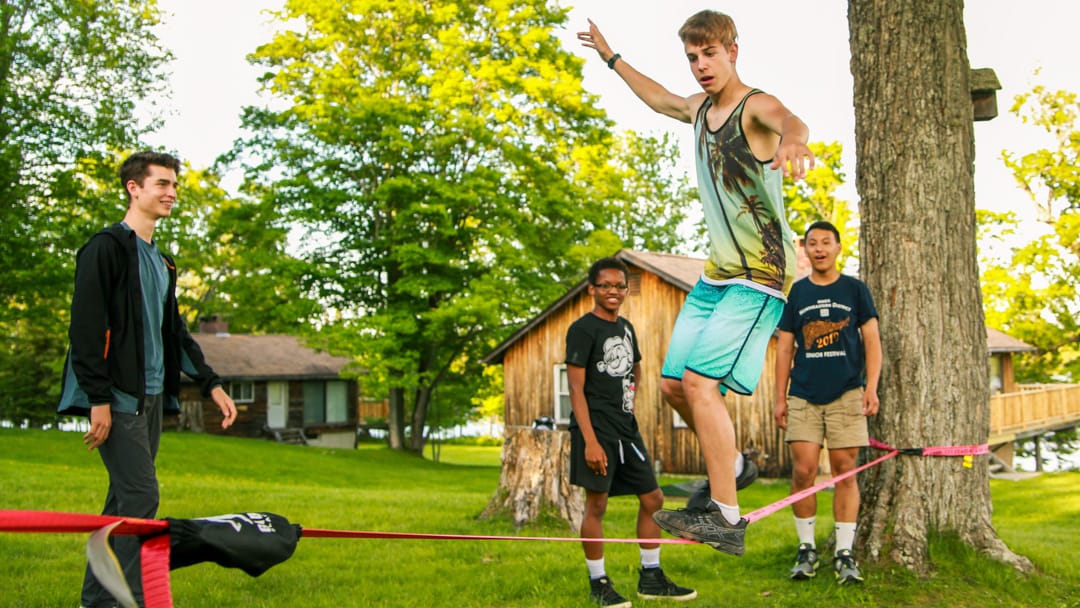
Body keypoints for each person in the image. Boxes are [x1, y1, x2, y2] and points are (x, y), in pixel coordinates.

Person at [578, 10, 815, 556]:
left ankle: (726, 517)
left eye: (709, 54)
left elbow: (790, 119)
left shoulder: (755, 106)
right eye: (692, 58)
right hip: (717, 275)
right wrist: (612, 58)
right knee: (670, 385)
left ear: (733, 50)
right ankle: (731, 466)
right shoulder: (698, 109)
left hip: (761, 273)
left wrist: (795, 143)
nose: (701, 66)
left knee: (701, 383)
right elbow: (659, 97)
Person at [57, 151, 238, 608]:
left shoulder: (164, 262)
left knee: (123, 503)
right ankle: (136, 600)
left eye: (174, 185)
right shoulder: (106, 248)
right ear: (133, 188)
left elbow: (173, 333)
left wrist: (211, 383)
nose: (171, 193)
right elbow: (84, 329)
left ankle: (96, 601)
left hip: (153, 397)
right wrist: (98, 398)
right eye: (161, 184)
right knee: (141, 499)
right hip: (117, 398)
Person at [566, 257, 696, 607]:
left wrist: (629, 402)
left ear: (626, 290)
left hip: (626, 429)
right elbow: (576, 389)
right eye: (605, 285)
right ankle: (599, 582)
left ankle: (650, 577)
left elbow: (635, 369)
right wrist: (590, 441)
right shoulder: (582, 329)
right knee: (598, 504)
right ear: (592, 289)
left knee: (653, 498)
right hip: (595, 432)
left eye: (619, 286)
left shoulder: (625, 327)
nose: (613, 291)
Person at [773, 221, 881, 585]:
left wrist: (872, 388)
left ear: (837, 248)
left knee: (844, 470)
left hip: (848, 393)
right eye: (812, 244)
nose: (819, 249)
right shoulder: (797, 293)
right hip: (803, 394)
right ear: (805, 250)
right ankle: (806, 550)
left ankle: (845, 553)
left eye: (826, 243)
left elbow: (872, 342)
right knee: (803, 470)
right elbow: (785, 347)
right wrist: (779, 398)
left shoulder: (855, 289)